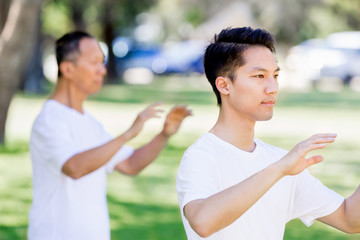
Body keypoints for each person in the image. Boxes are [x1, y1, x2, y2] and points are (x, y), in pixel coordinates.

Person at [176, 26, 360, 240]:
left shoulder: (282, 162)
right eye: (259, 75)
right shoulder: (201, 156)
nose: (272, 88)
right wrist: (280, 169)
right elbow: (203, 222)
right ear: (224, 85)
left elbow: (350, 219)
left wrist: (282, 167)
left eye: (275, 76)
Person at [27, 31, 191, 240]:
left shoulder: (91, 123)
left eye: (103, 62)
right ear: (67, 69)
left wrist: (164, 135)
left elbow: (130, 164)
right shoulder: (50, 119)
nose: (102, 71)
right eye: (94, 62)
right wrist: (128, 134)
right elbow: (74, 168)